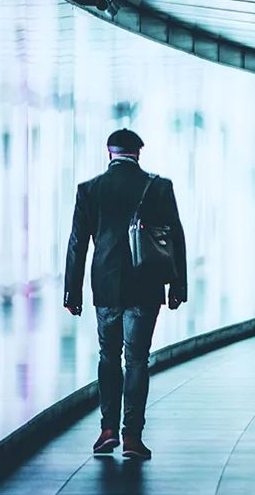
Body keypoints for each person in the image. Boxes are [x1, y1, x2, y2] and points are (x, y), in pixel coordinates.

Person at [63, 129, 188, 459]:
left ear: (109, 153)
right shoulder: (158, 187)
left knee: (108, 355)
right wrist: (178, 285)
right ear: (138, 153)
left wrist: (71, 291)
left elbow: (77, 243)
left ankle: (107, 429)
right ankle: (132, 437)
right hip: (146, 285)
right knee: (136, 360)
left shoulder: (90, 190)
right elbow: (175, 237)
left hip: (105, 285)